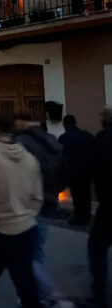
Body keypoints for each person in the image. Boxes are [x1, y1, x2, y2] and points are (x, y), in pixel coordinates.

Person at [0, 112, 43, 308]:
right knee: (27, 286)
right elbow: (37, 197)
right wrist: (25, 216)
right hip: (26, 230)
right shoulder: (30, 158)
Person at [13, 112, 64, 304]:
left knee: (28, 250)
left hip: (28, 203)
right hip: (49, 202)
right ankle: (36, 292)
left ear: (22, 121)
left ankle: (45, 292)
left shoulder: (21, 143)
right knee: (36, 248)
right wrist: (54, 192)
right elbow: (66, 171)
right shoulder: (52, 141)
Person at [88, 109, 112, 307]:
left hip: (109, 204)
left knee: (96, 248)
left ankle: (100, 297)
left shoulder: (103, 138)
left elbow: (94, 167)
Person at [59, 115, 93, 225]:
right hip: (86, 170)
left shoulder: (64, 138)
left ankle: (79, 217)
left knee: (77, 195)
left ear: (65, 124)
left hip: (73, 171)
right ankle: (87, 215)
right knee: (86, 193)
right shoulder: (87, 135)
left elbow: (61, 156)